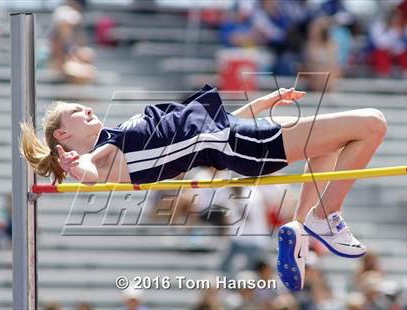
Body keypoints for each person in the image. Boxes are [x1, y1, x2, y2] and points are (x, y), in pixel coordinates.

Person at [20, 84, 387, 291]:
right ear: (64, 135)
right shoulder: (106, 153)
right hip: (239, 144)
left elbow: (206, 130)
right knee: (373, 123)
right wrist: (74, 164)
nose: (86, 108)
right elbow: (91, 172)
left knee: (329, 148)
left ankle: (303, 230)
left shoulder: (119, 133)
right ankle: (322, 218)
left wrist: (262, 104)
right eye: (76, 112)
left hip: (235, 136)